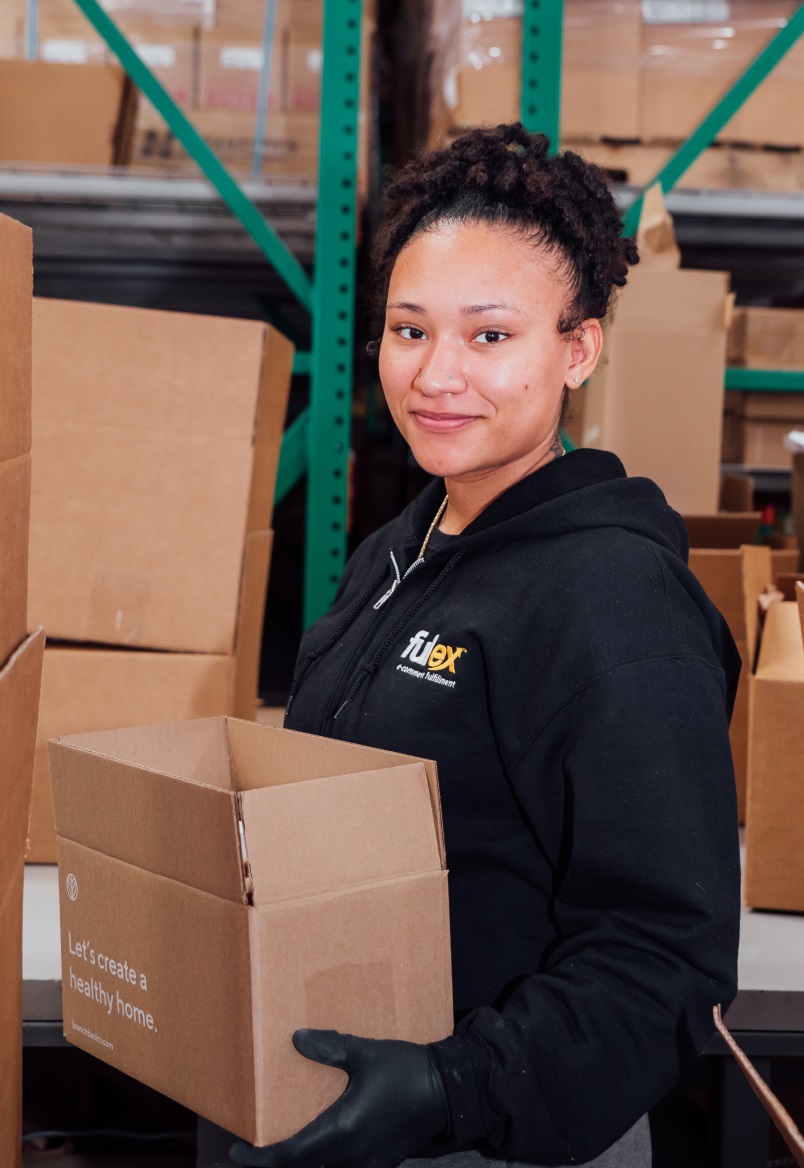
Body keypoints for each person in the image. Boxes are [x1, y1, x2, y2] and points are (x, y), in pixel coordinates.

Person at [232, 123, 741, 1168]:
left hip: (501, 1135)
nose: (436, 375)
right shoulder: (397, 546)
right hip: (347, 1096)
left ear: (579, 347)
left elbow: (662, 955)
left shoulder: (616, 601)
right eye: (408, 330)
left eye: (491, 336)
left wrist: (446, 1088)